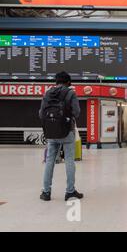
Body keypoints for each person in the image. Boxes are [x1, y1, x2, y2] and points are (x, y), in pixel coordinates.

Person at [39, 71, 83, 202]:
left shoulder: (47, 93)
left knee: (49, 161)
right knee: (69, 160)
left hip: (51, 132)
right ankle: (70, 191)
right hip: (67, 131)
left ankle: (46, 192)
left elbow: (41, 114)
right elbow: (77, 112)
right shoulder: (71, 93)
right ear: (68, 82)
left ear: (56, 81)